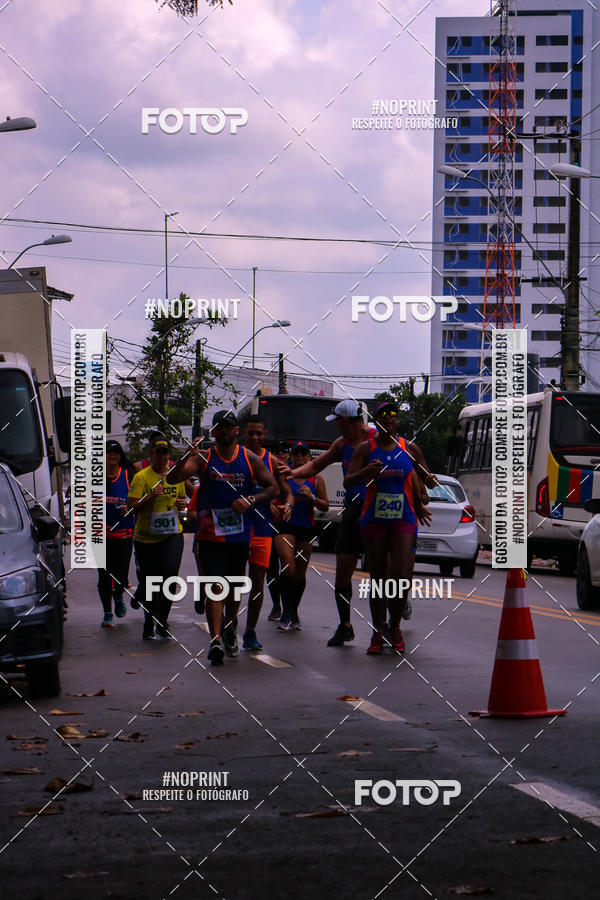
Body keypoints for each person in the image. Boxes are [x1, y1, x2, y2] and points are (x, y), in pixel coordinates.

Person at [166, 410, 277, 666]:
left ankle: (230, 625)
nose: (225, 430)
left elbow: (273, 488)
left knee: (234, 588)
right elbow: (173, 478)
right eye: (220, 426)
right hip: (209, 534)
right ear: (214, 431)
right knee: (216, 586)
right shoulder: (204, 458)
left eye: (230, 426)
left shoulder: (248, 458)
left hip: (239, 535)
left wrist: (251, 499)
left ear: (236, 430)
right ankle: (215, 640)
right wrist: (186, 455)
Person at [280, 399, 376, 647]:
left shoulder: (376, 439)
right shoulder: (342, 443)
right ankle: (345, 625)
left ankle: (386, 624)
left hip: (376, 511)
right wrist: (293, 472)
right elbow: (315, 465)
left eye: (337, 423)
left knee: (382, 573)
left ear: (345, 420)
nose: (336, 428)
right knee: (343, 568)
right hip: (352, 510)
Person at [344, 401, 435, 654]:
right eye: (383, 415)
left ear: (397, 420)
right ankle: (378, 631)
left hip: (403, 519)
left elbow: (427, 478)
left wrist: (429, 481)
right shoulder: (366, 448)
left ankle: (395, 628)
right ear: (376, 421)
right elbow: (348, 480)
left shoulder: (409, 448)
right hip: (374, 519)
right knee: (378, 578)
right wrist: (366, 471)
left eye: (393, 415)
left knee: (400, 575)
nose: (388, 419)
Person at [128, 437, 187, 640]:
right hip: (146, 538)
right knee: (151, 581)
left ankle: (163, 621)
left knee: (170, 576)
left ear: (169, 455)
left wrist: (182, 504)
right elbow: (131, 507)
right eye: (158, 453)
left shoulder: (175, 476)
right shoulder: (141, 477)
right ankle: (149, 620)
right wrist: (151, 496)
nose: (162, 457)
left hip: (172, 534)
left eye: (165, 453)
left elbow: (182, 498)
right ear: (151, 454)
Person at [241, 417, 292, 651]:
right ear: (243, 433)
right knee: (233, 581)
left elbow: (285, 491)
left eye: (259, 434)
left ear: (264, 434)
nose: (255, 437)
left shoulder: (271, 461)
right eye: (251, 433)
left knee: (257, 583)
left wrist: (287, 504)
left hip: (262, 529)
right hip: (236, 528)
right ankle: (229, 625)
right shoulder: (236, 456)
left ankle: (250, 631)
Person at [274, 441, 329, 631]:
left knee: (299, 574)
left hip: (306, 528)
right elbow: (272, 495)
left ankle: (292, 611)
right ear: (291, 456)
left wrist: (312, 497)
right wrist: (274, 505)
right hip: (285, 526)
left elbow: (325, 506)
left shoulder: (316, 479)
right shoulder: (283, 475)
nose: (299, 457)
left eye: (303, 453)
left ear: (309, 457)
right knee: (287, 567)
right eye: (296, 453)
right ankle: (284, 612)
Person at [97, 440, 135, 628]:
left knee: (121, 575)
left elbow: (138, 500)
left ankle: (119, 595)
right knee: (104, 575)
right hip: (100, 534)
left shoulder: (128, 475)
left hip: (123, 533)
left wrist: (130, 508)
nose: (112, 455)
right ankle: (107, 613)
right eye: (108, 452)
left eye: (116, 452)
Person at [266, 441, 291, 621]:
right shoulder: (266, 471)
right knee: (271, 567)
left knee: (288, 568)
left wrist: (289, 505)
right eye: (277, 451)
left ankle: (290, 607)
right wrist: (268, 503)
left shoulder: (293, 473)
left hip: (289, 524)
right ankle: (276, 605)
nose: (280, 454)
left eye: (284, 451)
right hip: (268, 523)